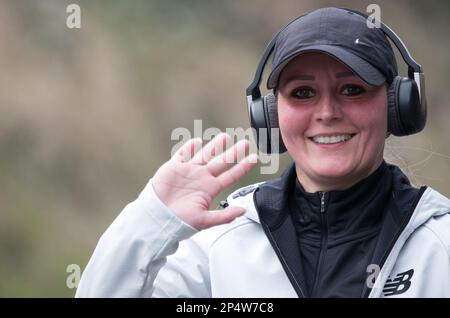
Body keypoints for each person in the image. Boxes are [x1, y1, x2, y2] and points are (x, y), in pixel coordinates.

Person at [75, 7, 450, 298]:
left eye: (352, 89)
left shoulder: (442, 245)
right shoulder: (218, 248)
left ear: (397, 105)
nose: (327, 112)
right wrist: (152, 220)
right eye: (302, 92)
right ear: (269, 115)